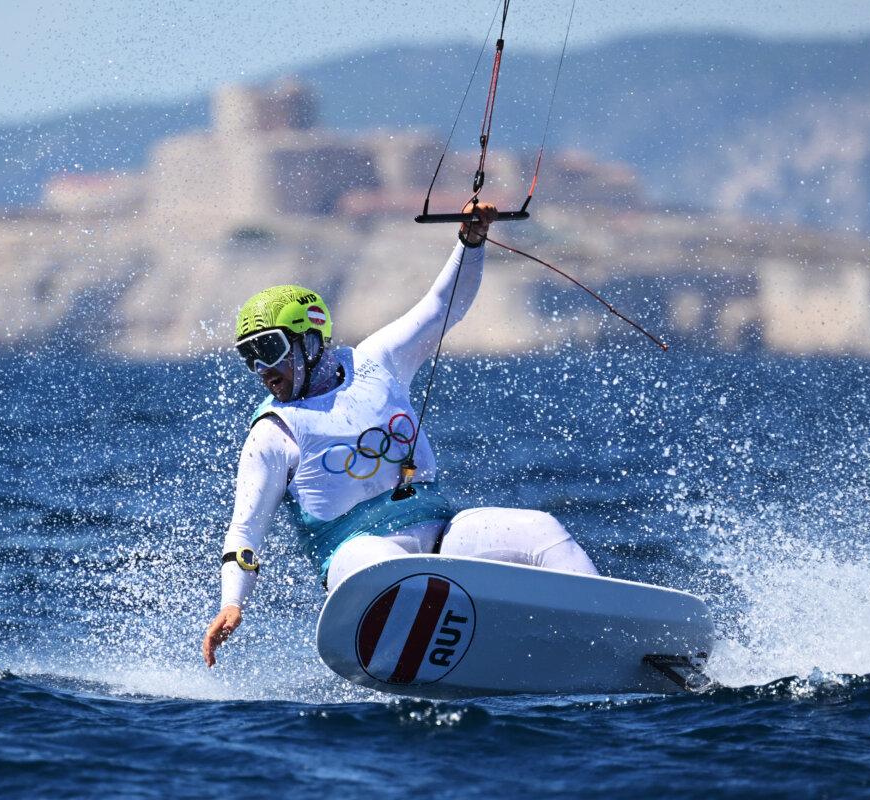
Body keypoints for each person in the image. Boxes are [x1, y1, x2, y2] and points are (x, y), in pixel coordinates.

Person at [202, 202, 598, 667]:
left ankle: (610, 632)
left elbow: (441, 308)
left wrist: (471, 241)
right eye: (250, 357)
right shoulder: (272, 434)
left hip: (441, 538)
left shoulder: (378, 361)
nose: (263, 369)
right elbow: (245, 528)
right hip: (361, 565)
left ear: (309, 339)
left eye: (270, 349)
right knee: (384, 563)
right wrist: (234, 602)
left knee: (540, 530)